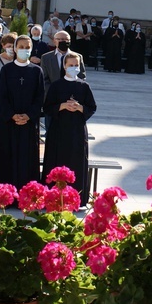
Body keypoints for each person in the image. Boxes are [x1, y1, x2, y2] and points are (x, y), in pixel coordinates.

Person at [0, 35, 45, 188]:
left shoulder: (37, 71)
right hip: (8, 121)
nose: (24, 50)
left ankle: (26, 193)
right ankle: (4, 193)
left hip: (28, 122)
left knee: (26, 157)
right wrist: (12, 115)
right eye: (21, 47)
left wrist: (28, 115)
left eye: (27, 47)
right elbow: (2, 95)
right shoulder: (6, 69)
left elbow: (39, 97)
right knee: (6, 156)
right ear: (15, 48)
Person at [41, 52, 97, 206]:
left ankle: (76, 198)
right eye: (70, 65)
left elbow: (92, 107)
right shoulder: (56, 85)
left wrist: (79, 108)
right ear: (64, 66)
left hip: (77, 131)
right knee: (56, 161)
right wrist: (62, 106)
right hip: (58, 130)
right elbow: (47, 108)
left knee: (76, 162)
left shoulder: (84, 86)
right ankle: (53, 197)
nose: (73, 68)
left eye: (76, 65)